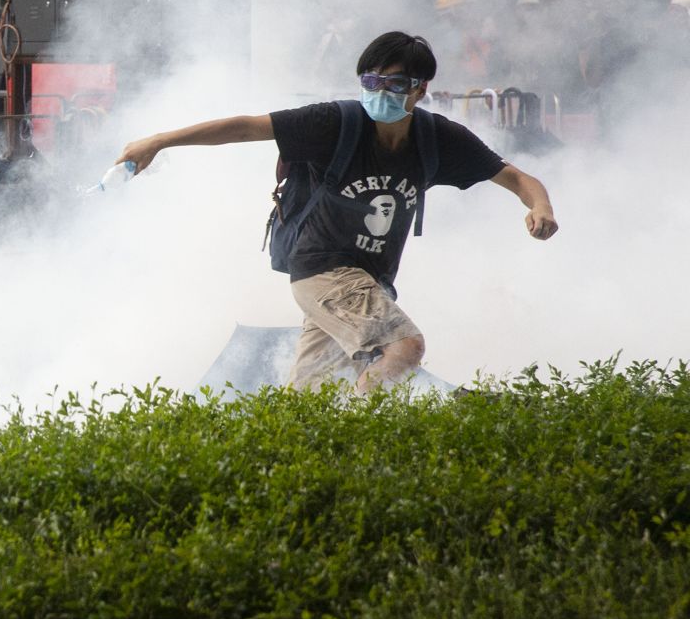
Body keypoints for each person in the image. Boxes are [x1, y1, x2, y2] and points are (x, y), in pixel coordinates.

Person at [117, 31, 558, 392]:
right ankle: (361, 439)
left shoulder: (439, 139)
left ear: (421, 90)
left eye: (396, 85)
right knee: (403, 347)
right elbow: (247, 126)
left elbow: (518, 178)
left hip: (371, 281)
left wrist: (541, 207)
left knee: (310, 400)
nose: (380, 92)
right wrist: (158, 141)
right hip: (321, 269)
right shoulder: (334, 122)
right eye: (371, 82)